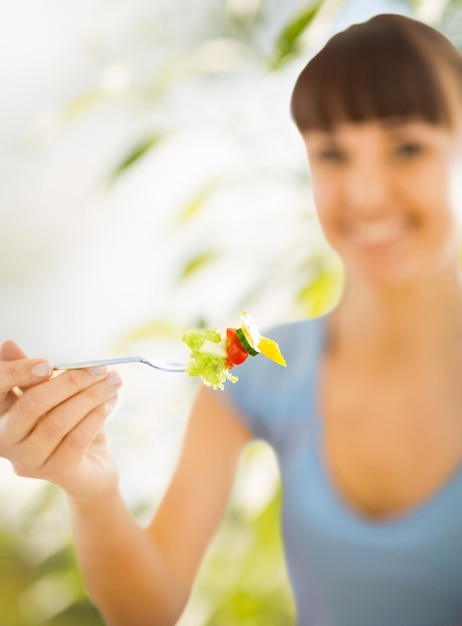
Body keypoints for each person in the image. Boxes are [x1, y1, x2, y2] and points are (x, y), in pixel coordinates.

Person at [2, 11, 462, 625]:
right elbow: (149, 606)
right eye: (332, 155)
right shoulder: (257, 367)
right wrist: (93, 489)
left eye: (407, 148)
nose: (367, 193)